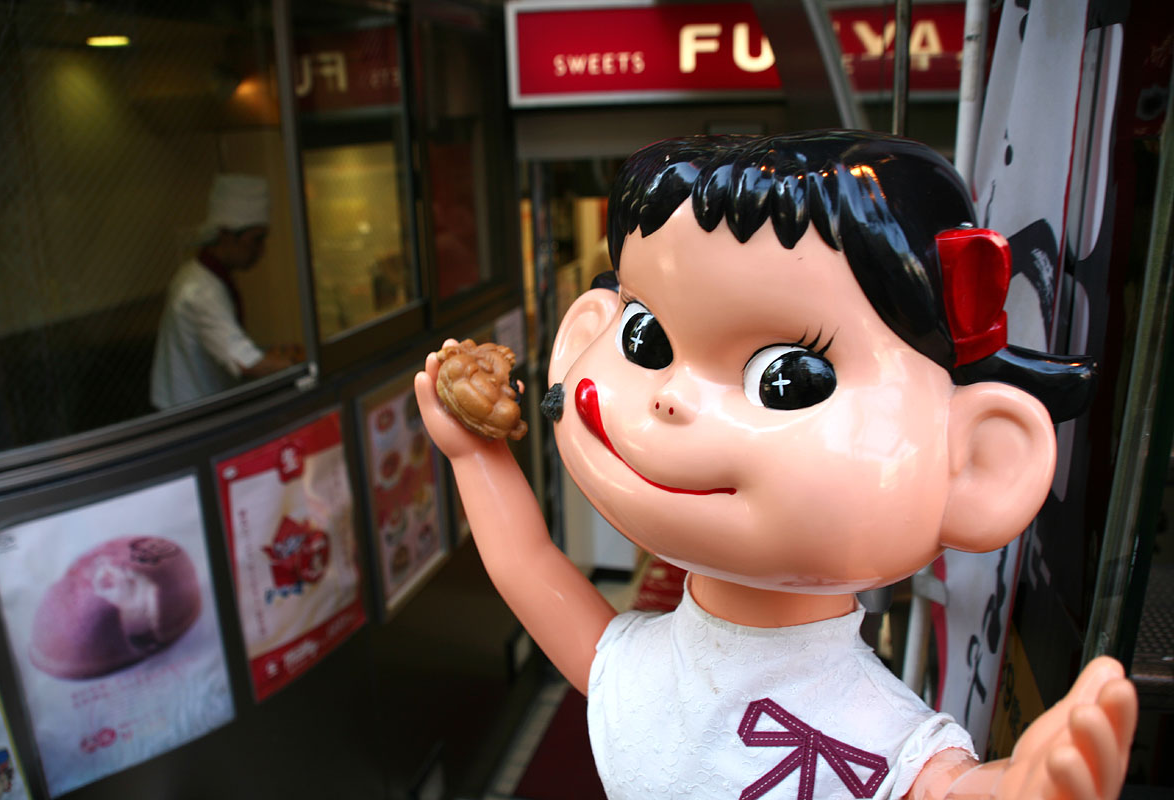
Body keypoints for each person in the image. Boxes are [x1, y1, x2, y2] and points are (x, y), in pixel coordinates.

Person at [415, 131, 1136, 799]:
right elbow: (527, 564)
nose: (671, 400)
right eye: (646, 336)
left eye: (786, 376)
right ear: (586, 332)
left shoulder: (872, 735)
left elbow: (942, 787)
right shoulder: (643, 671)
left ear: (979, 461)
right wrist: (473, 453)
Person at [150, 174, 301, 409]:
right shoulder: (200, 290)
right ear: (226, 235)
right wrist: (303, 365)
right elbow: (247, 363)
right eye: (256, 240)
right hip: (189, 415)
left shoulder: (204, 276)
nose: (261, 250)